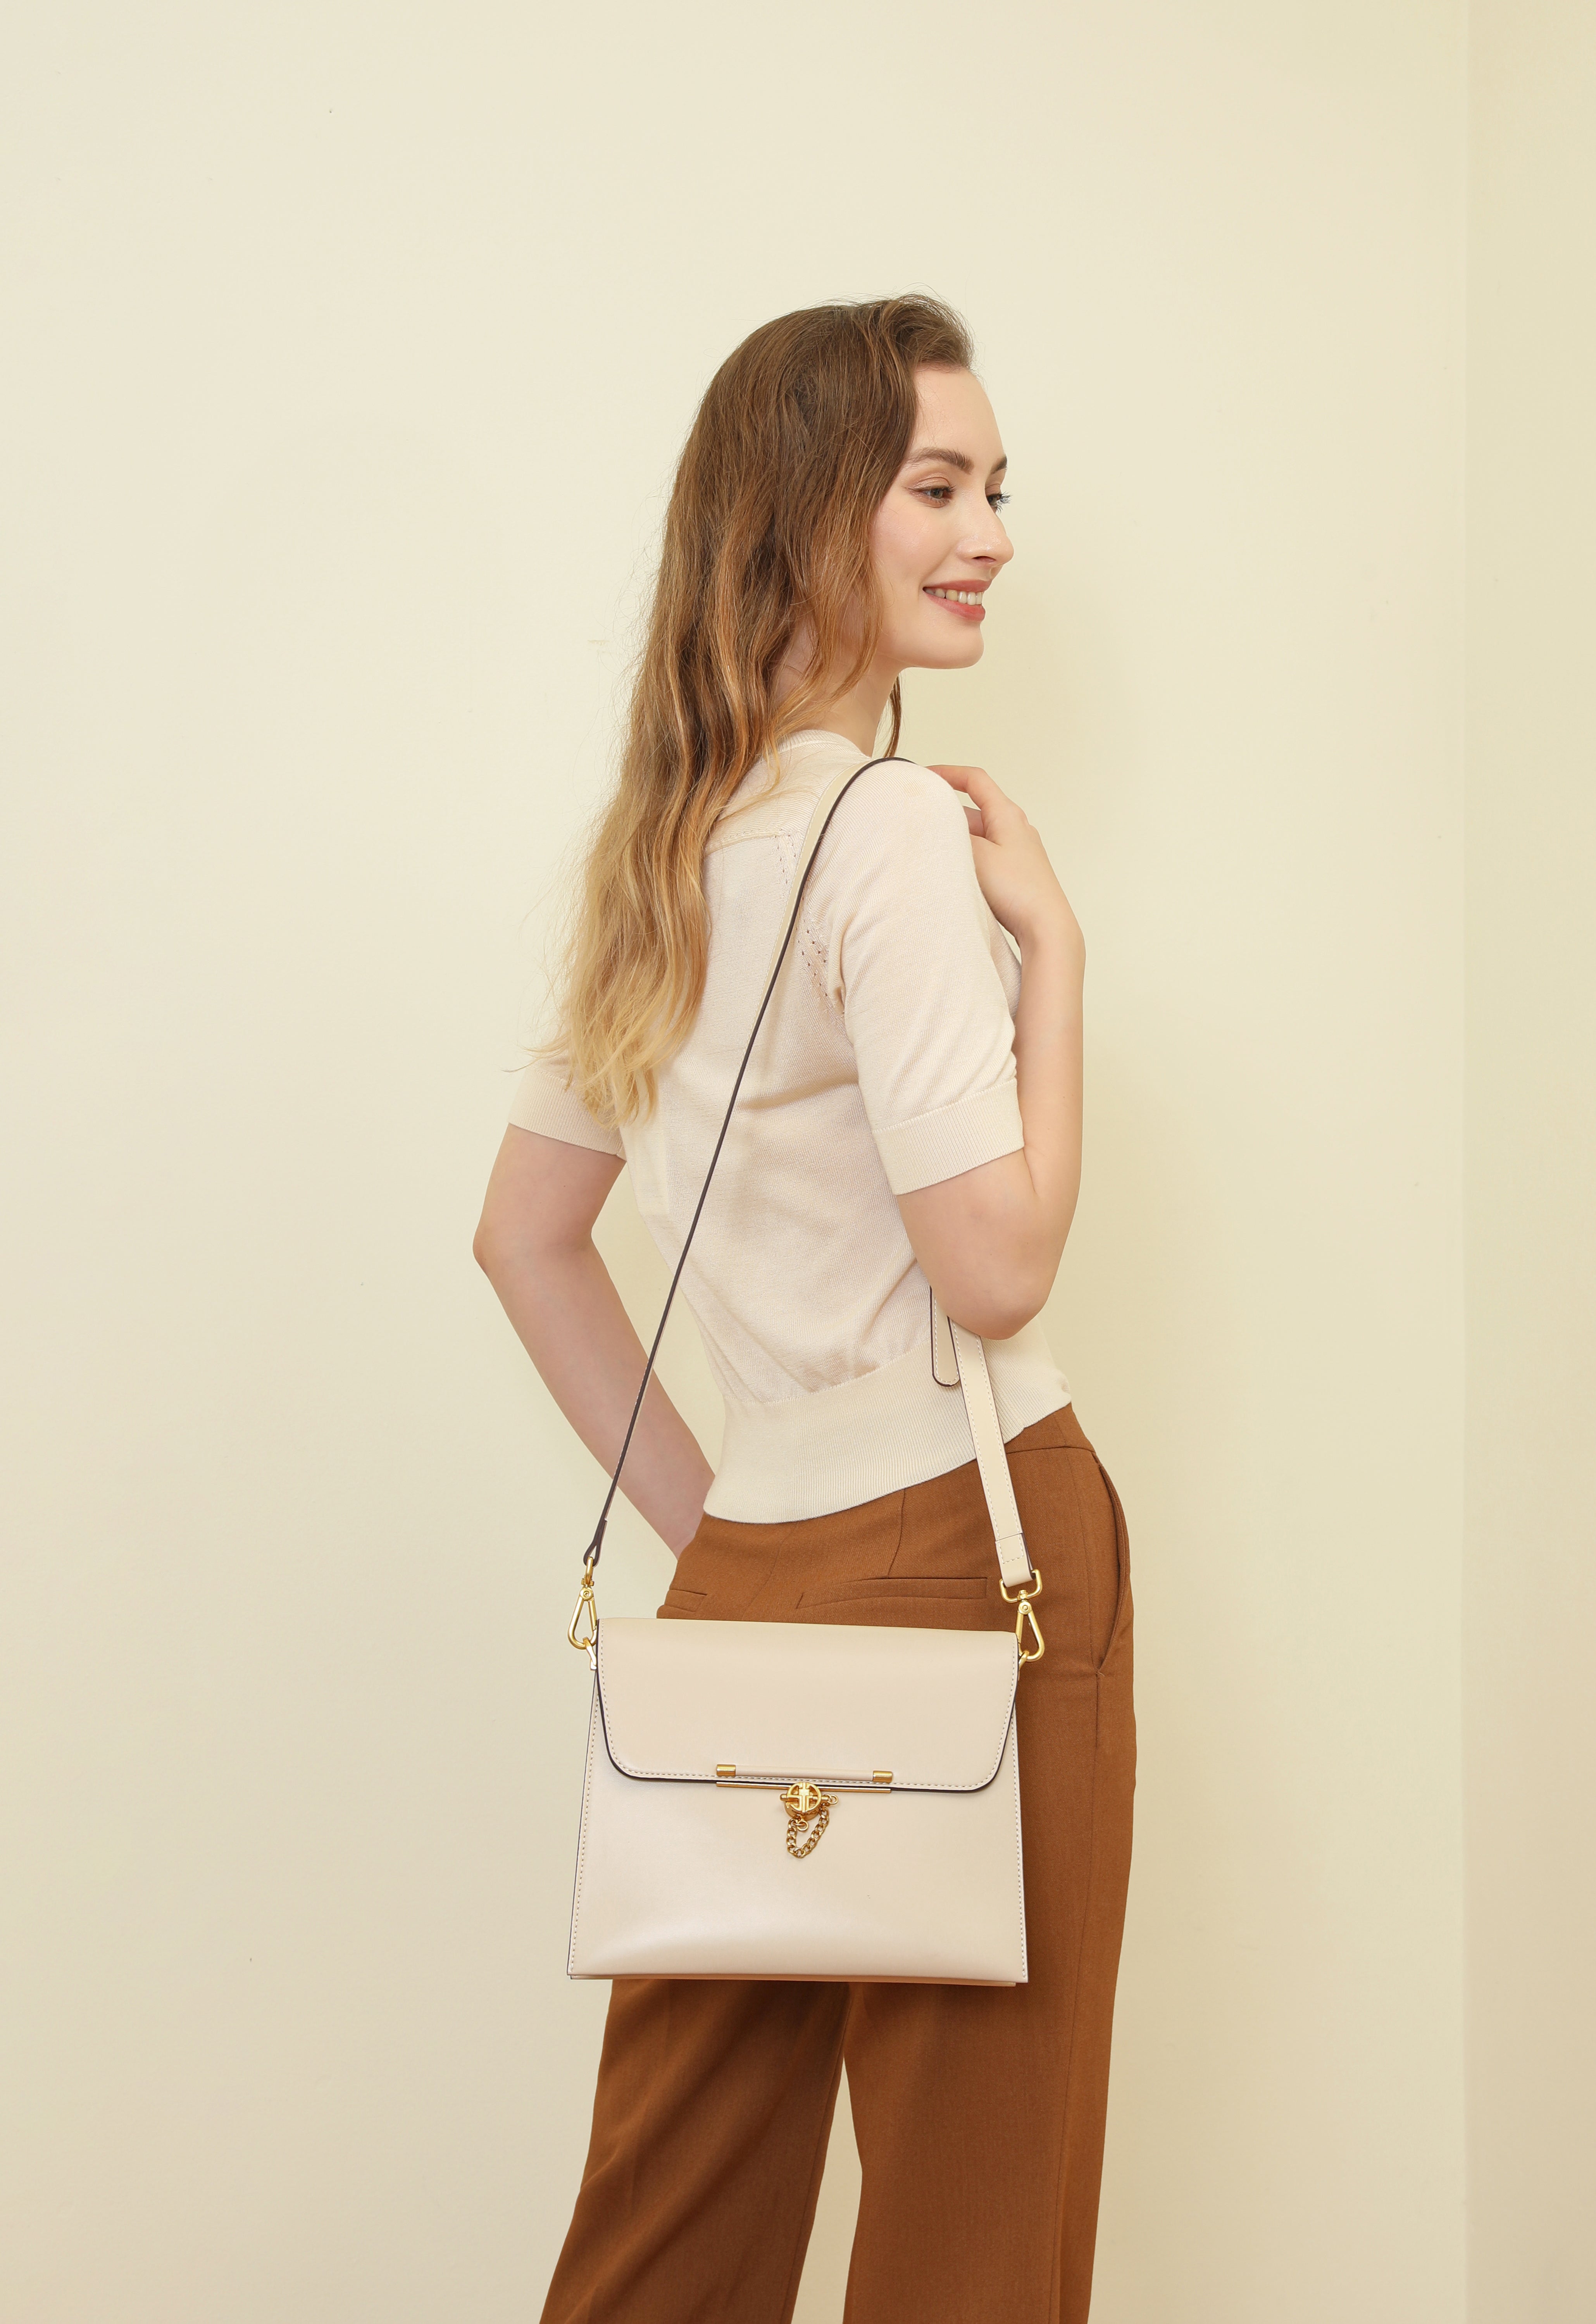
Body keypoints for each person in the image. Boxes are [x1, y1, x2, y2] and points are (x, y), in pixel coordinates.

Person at [474, 295, 1135, 2324]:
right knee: (974, 2218)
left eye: (996, 489)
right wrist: (1060, 963)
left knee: (670, 2221)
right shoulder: (892, 835)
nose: (990, 533)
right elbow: (997, 1267)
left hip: (753, 1571)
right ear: (810, 510)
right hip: (975, 1535)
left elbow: (524, 1237)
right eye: (937, 486)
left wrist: (728, 1524)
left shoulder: (662, 853)